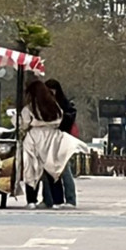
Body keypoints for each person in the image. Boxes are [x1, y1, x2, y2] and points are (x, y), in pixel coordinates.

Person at [20, 81, 87, 210]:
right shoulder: (55, 106)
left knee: (32, 170)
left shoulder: (29, 108)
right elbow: (60, 119)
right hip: (52, 137)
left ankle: (31, 200)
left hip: (35, 137)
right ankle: (58, 200)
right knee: (53, 169)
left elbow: (24, 124)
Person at [45, 79, 78, 208]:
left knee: (64, 170)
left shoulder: (64, 105)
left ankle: (70, 199)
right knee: (47, 172)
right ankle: (49, 199)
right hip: (48, 140)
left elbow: (67, 121)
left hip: (61, 139)